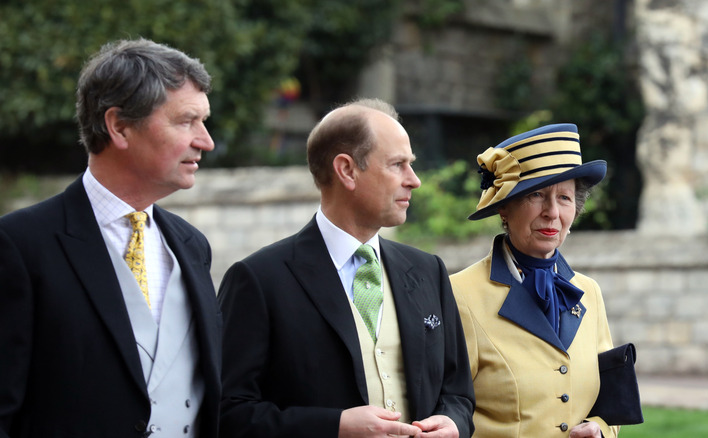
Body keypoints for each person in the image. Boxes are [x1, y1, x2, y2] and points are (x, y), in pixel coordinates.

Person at [0, 39, 221, 437]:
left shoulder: (193, 245)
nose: (205, 141)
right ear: (118, 126)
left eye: (203, 122)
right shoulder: (19, 245)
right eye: (186, 121)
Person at [218, 98, 475, 438]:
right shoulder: (259, 279)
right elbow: (228, 413)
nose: (414, 180)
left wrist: (453, 422)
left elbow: (457, 392)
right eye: (397, 164)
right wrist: (334, 427)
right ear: (347, 170)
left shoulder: (429, 271)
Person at [449, 123, 620, 438]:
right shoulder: (460, 294)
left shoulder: (589, 292)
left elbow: (609, 398)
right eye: (537, 195)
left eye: (565, 198)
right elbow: (449, 407)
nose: (552, 212)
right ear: (504, 206)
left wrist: (601, 429)